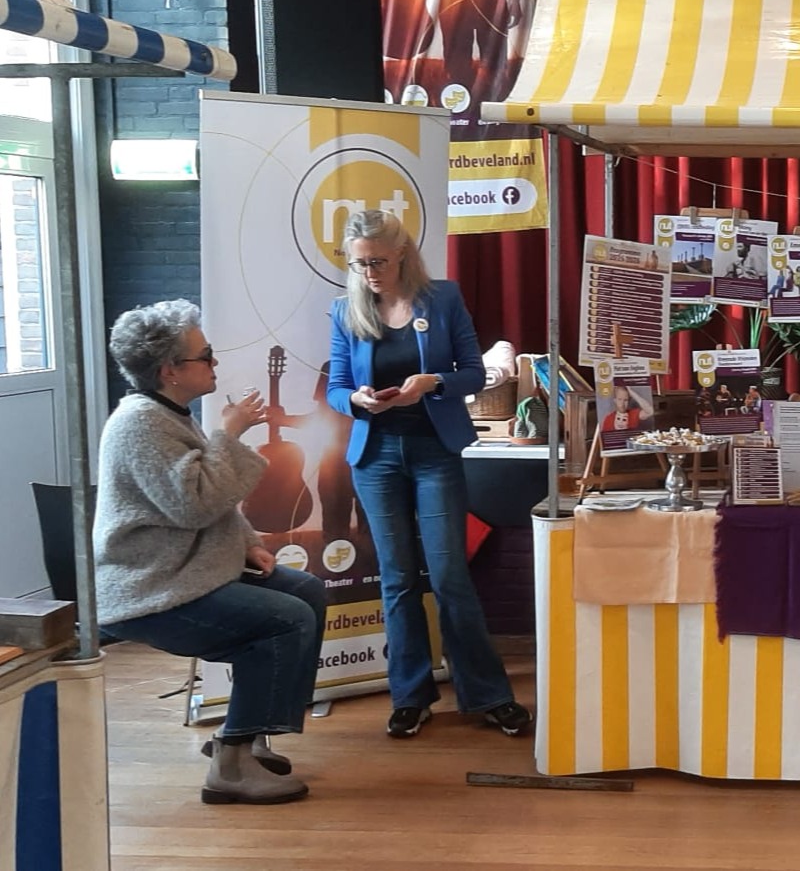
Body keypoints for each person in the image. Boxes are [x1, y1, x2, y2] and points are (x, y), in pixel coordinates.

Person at [95, 299, 327, 806]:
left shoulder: (170, 414)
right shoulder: (140, 425)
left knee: (307, 592)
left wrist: (248, 542)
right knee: (285, 620)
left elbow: (211, 497)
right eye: (205, 356)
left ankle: (251, 733)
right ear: (169, 370)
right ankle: (231, 765)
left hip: (192, 568)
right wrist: (230, 434)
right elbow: (195, 504)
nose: (214, 362)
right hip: (152, 586)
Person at [326, 209, 531, 739]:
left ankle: (487, 695)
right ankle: (410, 696)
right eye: (358, 264)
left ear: (401, 253)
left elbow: (473, 374)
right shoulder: (345, 310)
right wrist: (357, 399)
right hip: (375, 457)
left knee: (449, 577)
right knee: (397, 579)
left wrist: (432, 383)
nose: (369, 273)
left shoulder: (443, 299)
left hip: (435, 452)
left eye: (377, 262)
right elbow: (336, 387)